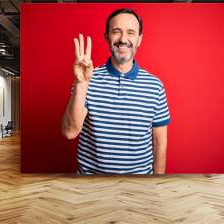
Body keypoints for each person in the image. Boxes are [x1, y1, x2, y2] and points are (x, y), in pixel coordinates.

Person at [61, 8, 170, 174]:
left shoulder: (155, 86)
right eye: (116, 32)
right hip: (91, 187)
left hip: (139, 187)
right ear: (107, 37)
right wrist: (81, 85)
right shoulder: (86, 78)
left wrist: (157, 183)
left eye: (131, 32)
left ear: (140, 39)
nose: (123, 39)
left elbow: (159, 142)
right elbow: (69, 132)